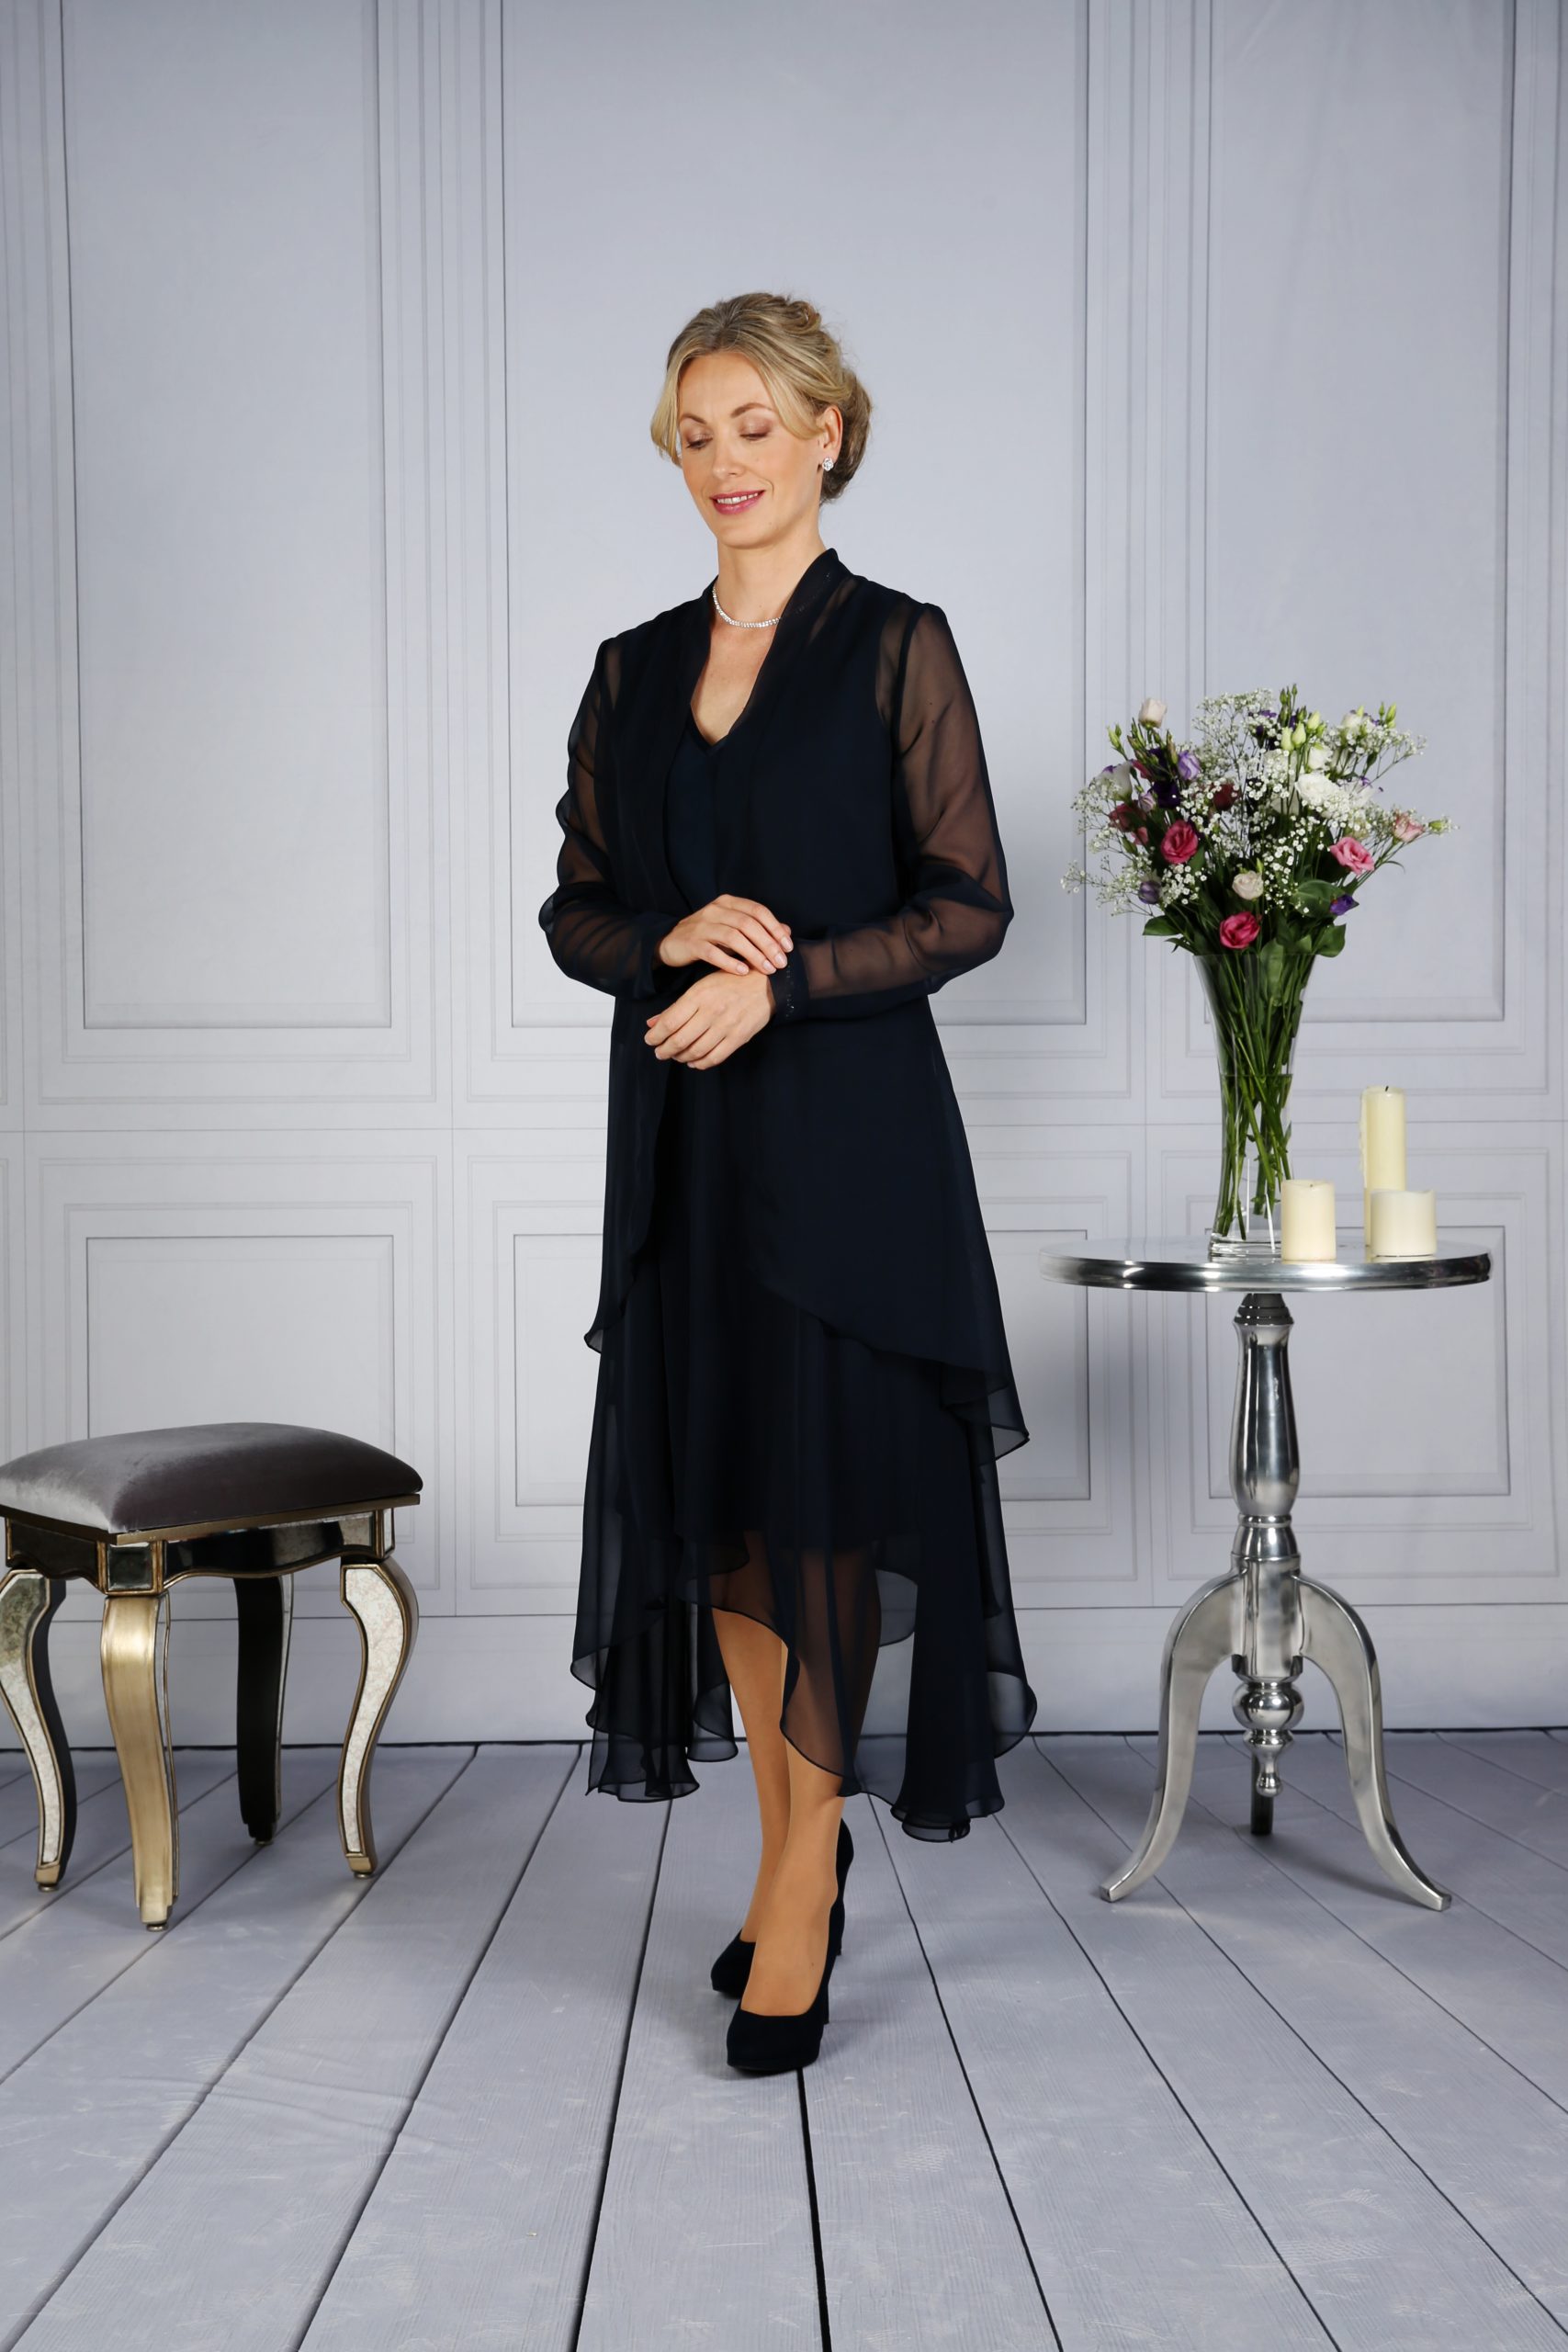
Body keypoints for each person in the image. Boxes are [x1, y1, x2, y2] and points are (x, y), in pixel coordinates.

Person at [538, 291, 1037, 2075]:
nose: (722, 462)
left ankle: (800, 1888)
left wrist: (785, 983)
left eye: (754, 425)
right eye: (694, 434)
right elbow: (576, 909)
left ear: (828, 431)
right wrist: (671, 937)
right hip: (685, 1158)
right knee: (735, 1515)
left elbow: (967, 903)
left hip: (849, 1150)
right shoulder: (629, 670)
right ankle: (788, 1859)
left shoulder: (897, 646)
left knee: (821, 1513)